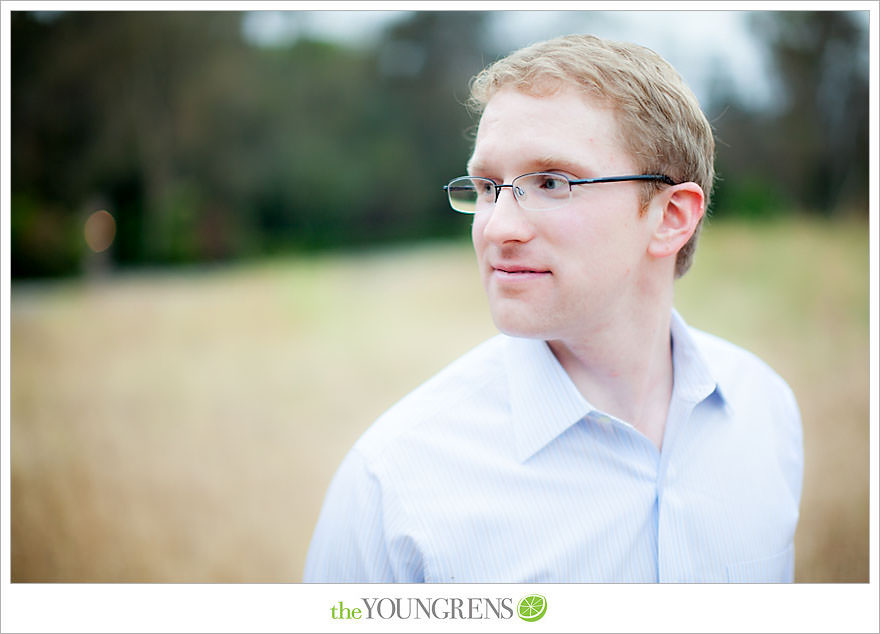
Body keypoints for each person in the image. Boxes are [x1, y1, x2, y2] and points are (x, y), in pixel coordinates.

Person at [303, 34, 803, 583]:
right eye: (488, 187)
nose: (498, 227)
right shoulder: (395, 484)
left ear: (671, 217)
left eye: (552, 182)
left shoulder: (766, 412)